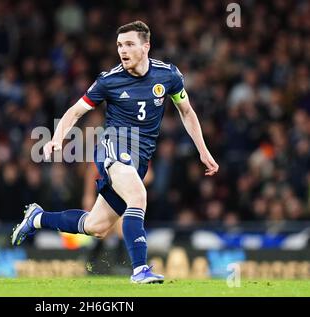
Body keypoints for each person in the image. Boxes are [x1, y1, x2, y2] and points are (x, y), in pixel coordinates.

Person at [11, 21, 219, 283]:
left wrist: (203, 150)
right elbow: (76, 111)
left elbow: (186, 112)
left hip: (140, 158)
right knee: (138, 194)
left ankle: (38, 218)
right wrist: (56, 139)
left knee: (96, 226)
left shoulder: (169, 76)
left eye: (129, 44)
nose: (123, 50)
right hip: (115, 144)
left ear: (146, 46)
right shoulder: (109, 80)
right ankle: (140, 269)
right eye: (120, 45)